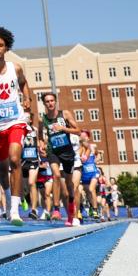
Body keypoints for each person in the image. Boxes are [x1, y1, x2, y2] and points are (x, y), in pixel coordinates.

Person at [0, 26, 34, 226]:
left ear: (6, 47)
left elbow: (23, 83)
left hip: (15, 121)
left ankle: (15, 210)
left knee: (14, 159)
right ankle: (8, 197)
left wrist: (27, 98)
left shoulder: (15, 68)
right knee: (2, 170)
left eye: (0, 45)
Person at [40, 91, 83, 225]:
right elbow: (40, 136)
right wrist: (41, 145)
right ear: (44, 103)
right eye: (47, 101)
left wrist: (63, 128)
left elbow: (78, 130)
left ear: (55, 101)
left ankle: (72, 214)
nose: (50, 103)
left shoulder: (65, 114)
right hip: (53, 151)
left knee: (70, 188)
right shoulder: (43, 119)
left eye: (52, 101)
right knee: (56, 175)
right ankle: (56, 209)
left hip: (67, 152)